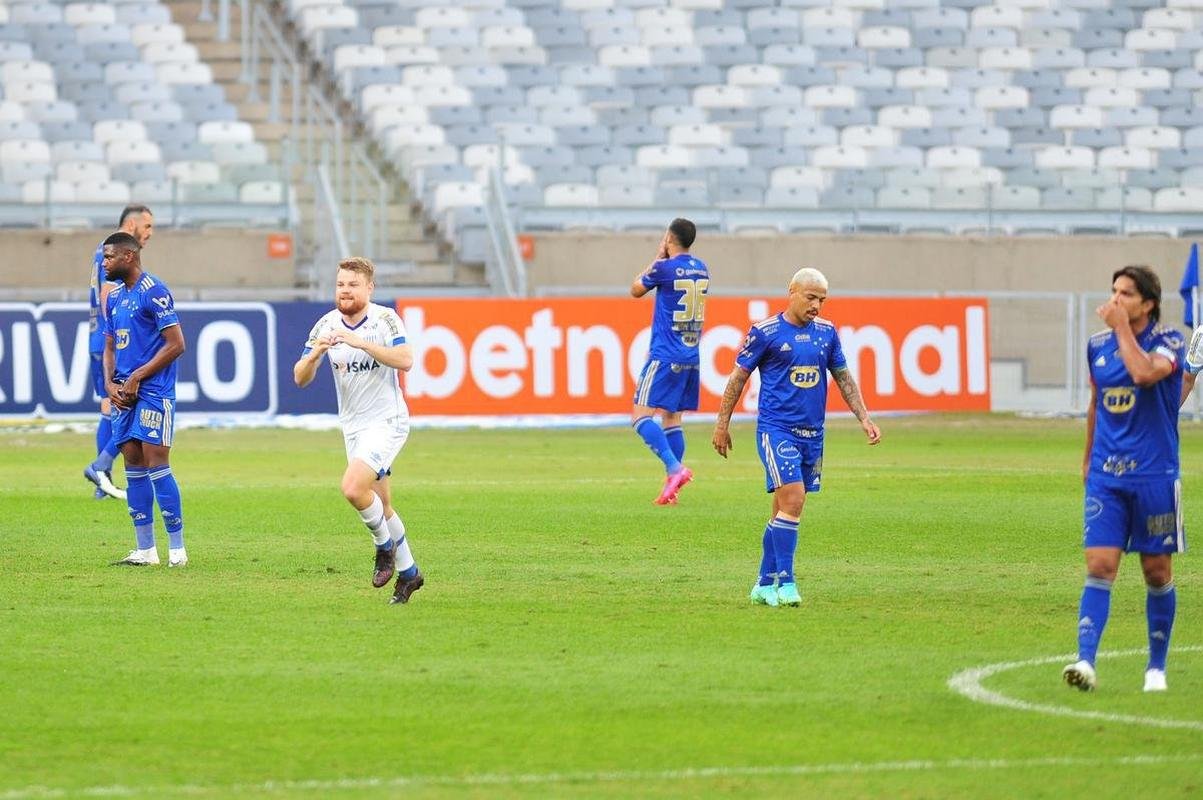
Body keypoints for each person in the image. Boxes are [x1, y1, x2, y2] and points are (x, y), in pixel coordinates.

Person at [712, 268, 881, 607]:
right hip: (776, 431)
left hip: (812, 435)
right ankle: (785, 583)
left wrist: (864, 417)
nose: (817, 305)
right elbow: (737, 378)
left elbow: (844, 378)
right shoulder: (765, 333)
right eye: (811, 297)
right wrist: (721, 423)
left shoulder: (827, 333)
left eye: (822, 299)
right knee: (794, 501)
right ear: (792, 291)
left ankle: (762, 583)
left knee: (781, 510)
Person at [1064, 265, 1185, 693]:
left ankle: (1156, 668)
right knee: (1099, 565)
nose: (1115, 300)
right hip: (1107, 478)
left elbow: (1143, 373)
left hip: (1155, 478)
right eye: (1113, 291)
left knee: (1156, 572)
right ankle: (1085, 662)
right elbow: (1097, 404)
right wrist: (1086, 462)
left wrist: (1121, 332)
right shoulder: (1096, 346)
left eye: (1126, 294)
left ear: (1148, 304)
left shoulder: (1169, 342)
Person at [293, 257, 424, 605]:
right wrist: (315, 355)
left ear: (369, 288)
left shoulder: (384, 319)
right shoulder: (325, 324)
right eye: (340, 285)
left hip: (387, 421)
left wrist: (360, 342)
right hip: (353, 427)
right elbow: (300, 379)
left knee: (353, 488)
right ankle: (410, 574)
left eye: (353, 285)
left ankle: (384, 547)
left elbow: (406, 360)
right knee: (382, 504)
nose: (345, 291)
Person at [101, 231, 188, 567]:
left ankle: (177, 550)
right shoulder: (112, 297)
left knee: (156, 462)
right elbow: (110, 345)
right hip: (122, 393)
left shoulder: (155, 292)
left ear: (128, 256)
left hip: (153, 392)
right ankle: (145, 550)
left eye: (109, 257)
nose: (104, 263)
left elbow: (177, 344)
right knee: (132, 464)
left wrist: (139, 375)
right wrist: (109, 383)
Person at [629, 218, 709, 505]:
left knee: (640, 417)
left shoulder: (664, 268)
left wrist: (657, 257)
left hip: (665, 354)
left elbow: (635, 289)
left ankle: (676, 468)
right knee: (672, 418)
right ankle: (671, 485)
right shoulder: (702, 268)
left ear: (669, 237)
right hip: (691, 354)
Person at [84, 204, 155, 500]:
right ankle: (100, 467)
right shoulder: (111, 253)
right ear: (131, 225)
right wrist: (121, 334)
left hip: (98, 340)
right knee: (129, 405)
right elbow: (107, 296)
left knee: (109, 407)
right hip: (113, 341)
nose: (150, 233)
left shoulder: (105, 251)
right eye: (147, 226)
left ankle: (103, 480)